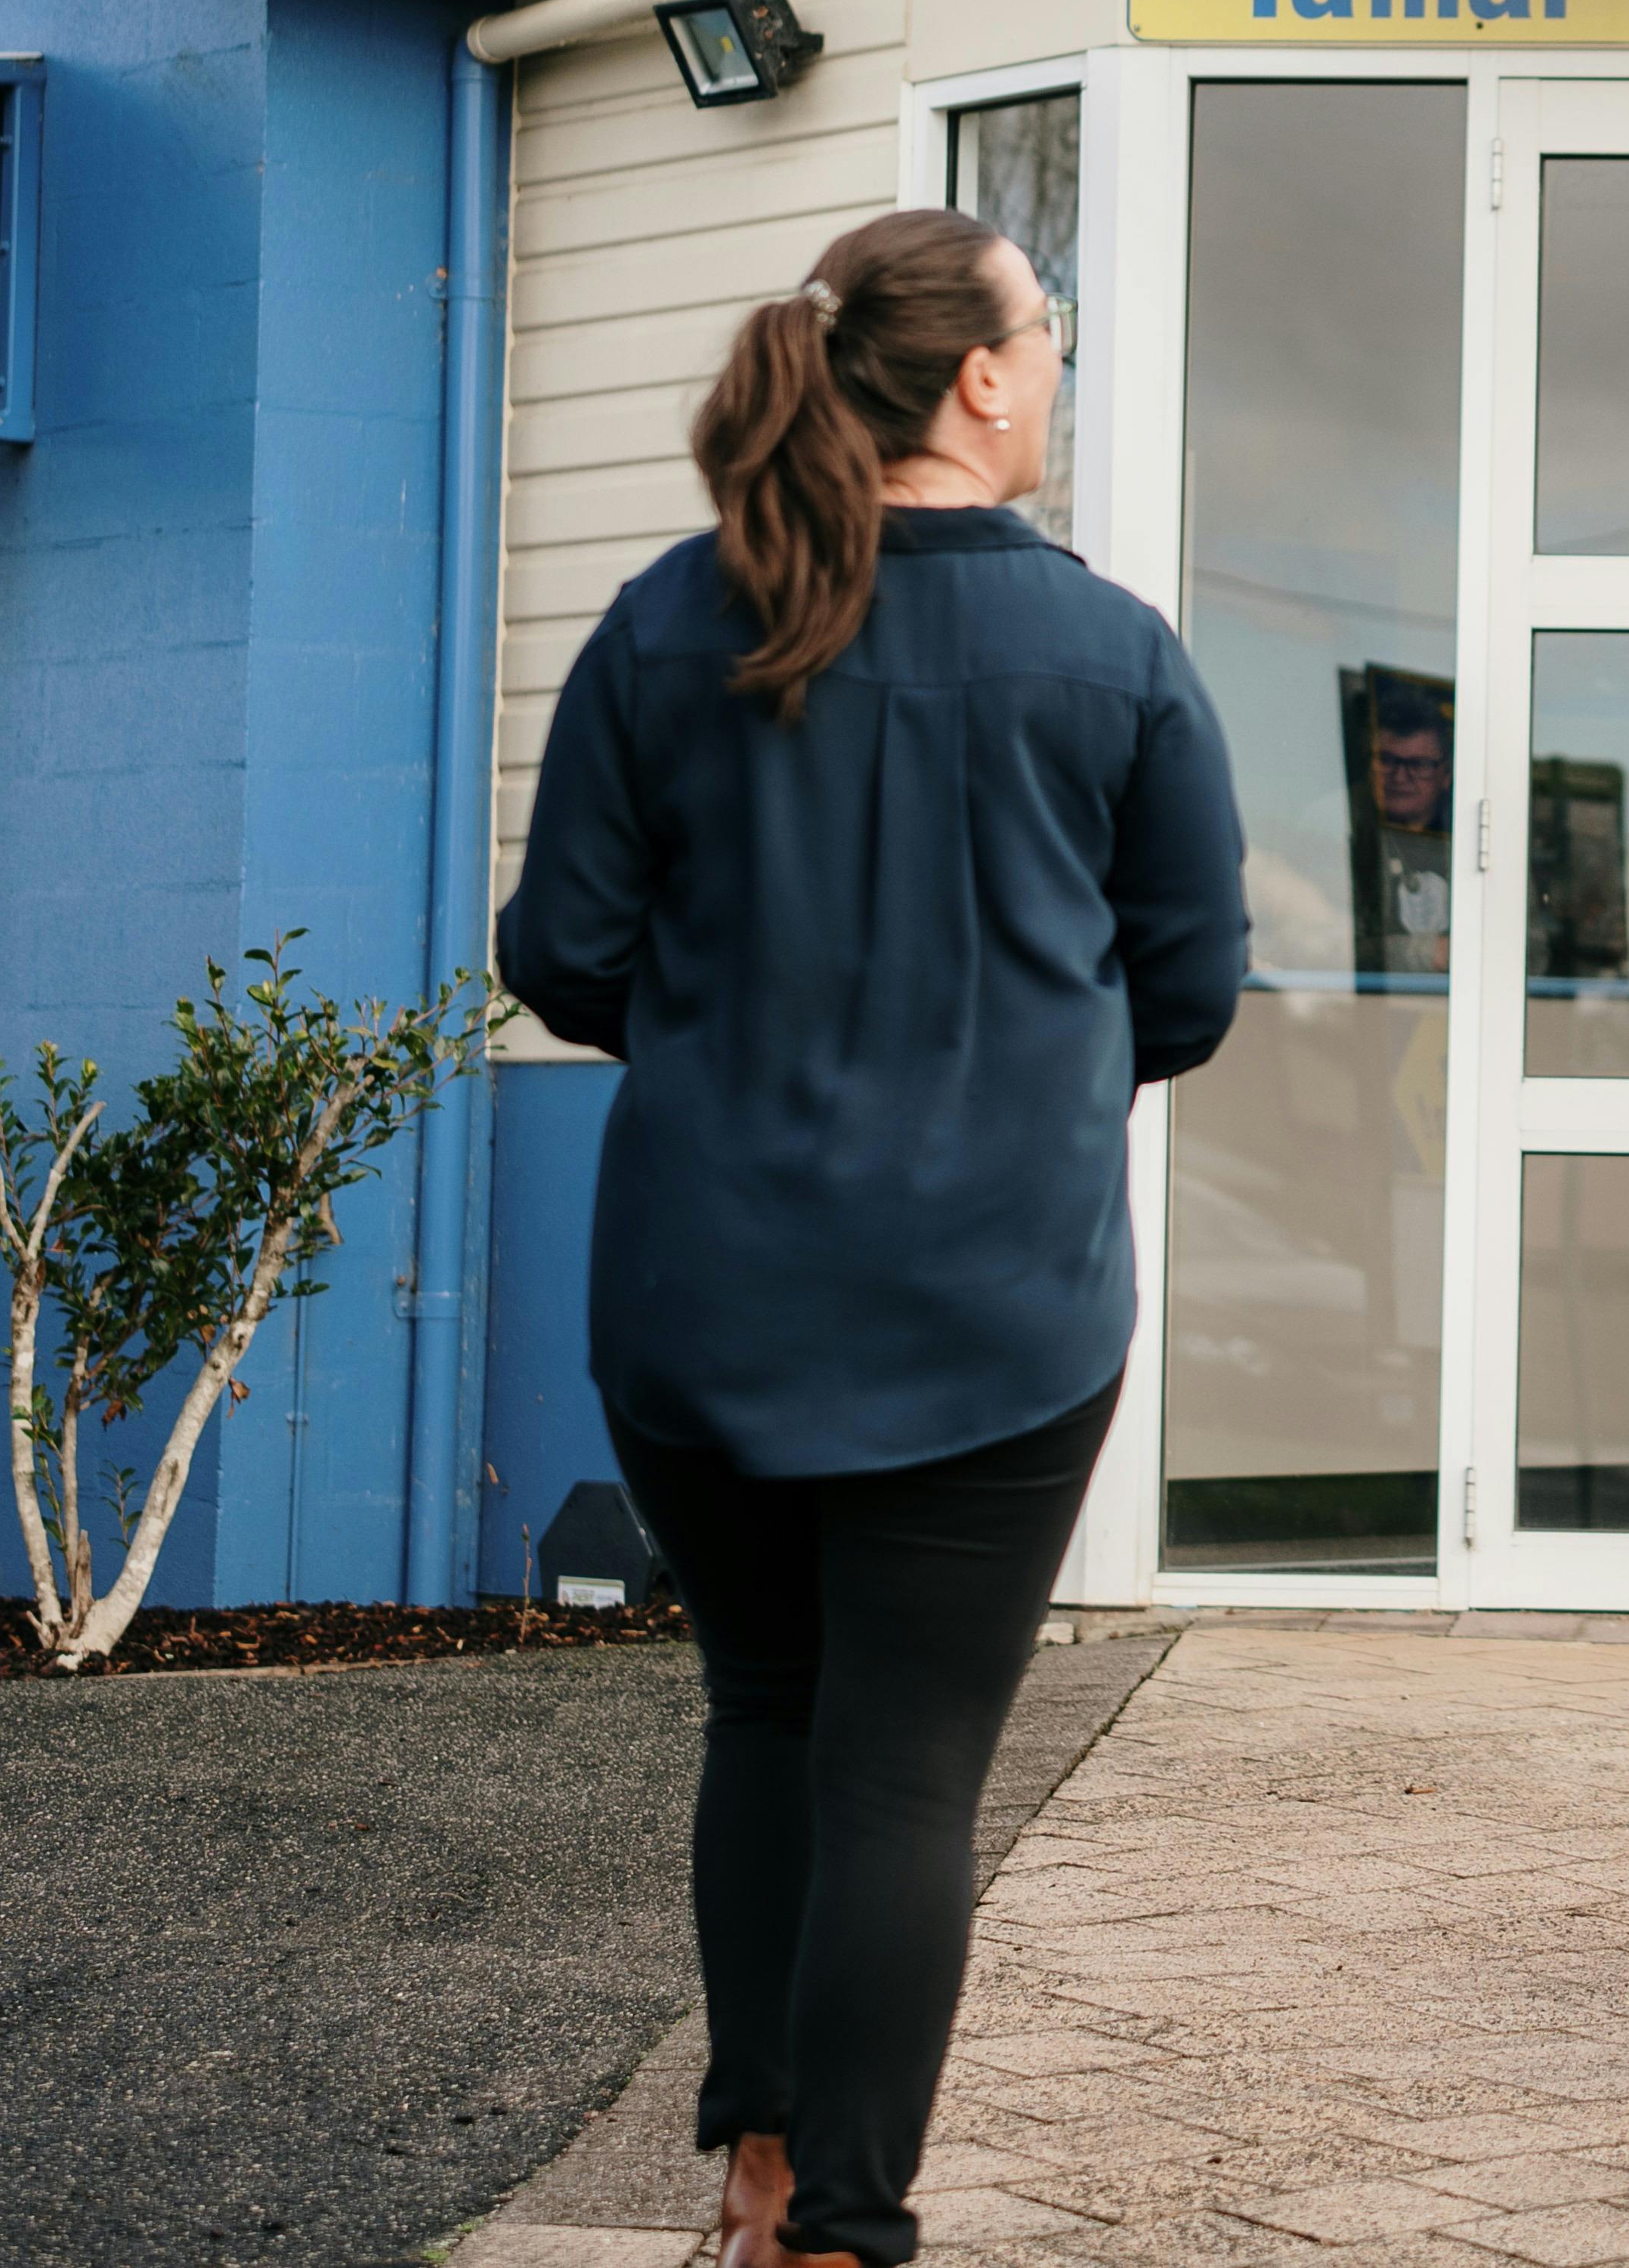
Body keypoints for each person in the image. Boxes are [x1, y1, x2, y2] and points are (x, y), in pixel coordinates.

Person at [501, 209, 1246, 2268]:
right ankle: (837, 2226)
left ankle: (754, 2161)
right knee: (905, 1772)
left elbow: (560, 948)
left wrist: (744, 1045)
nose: (1059, 368)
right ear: (984, 377)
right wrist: (1011, 1062)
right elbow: (1186, 992)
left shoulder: (665, 621)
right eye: (1050, 333)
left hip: (700, 1292)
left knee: (766, 1708)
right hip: (996, 1309)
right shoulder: (1111, 653)